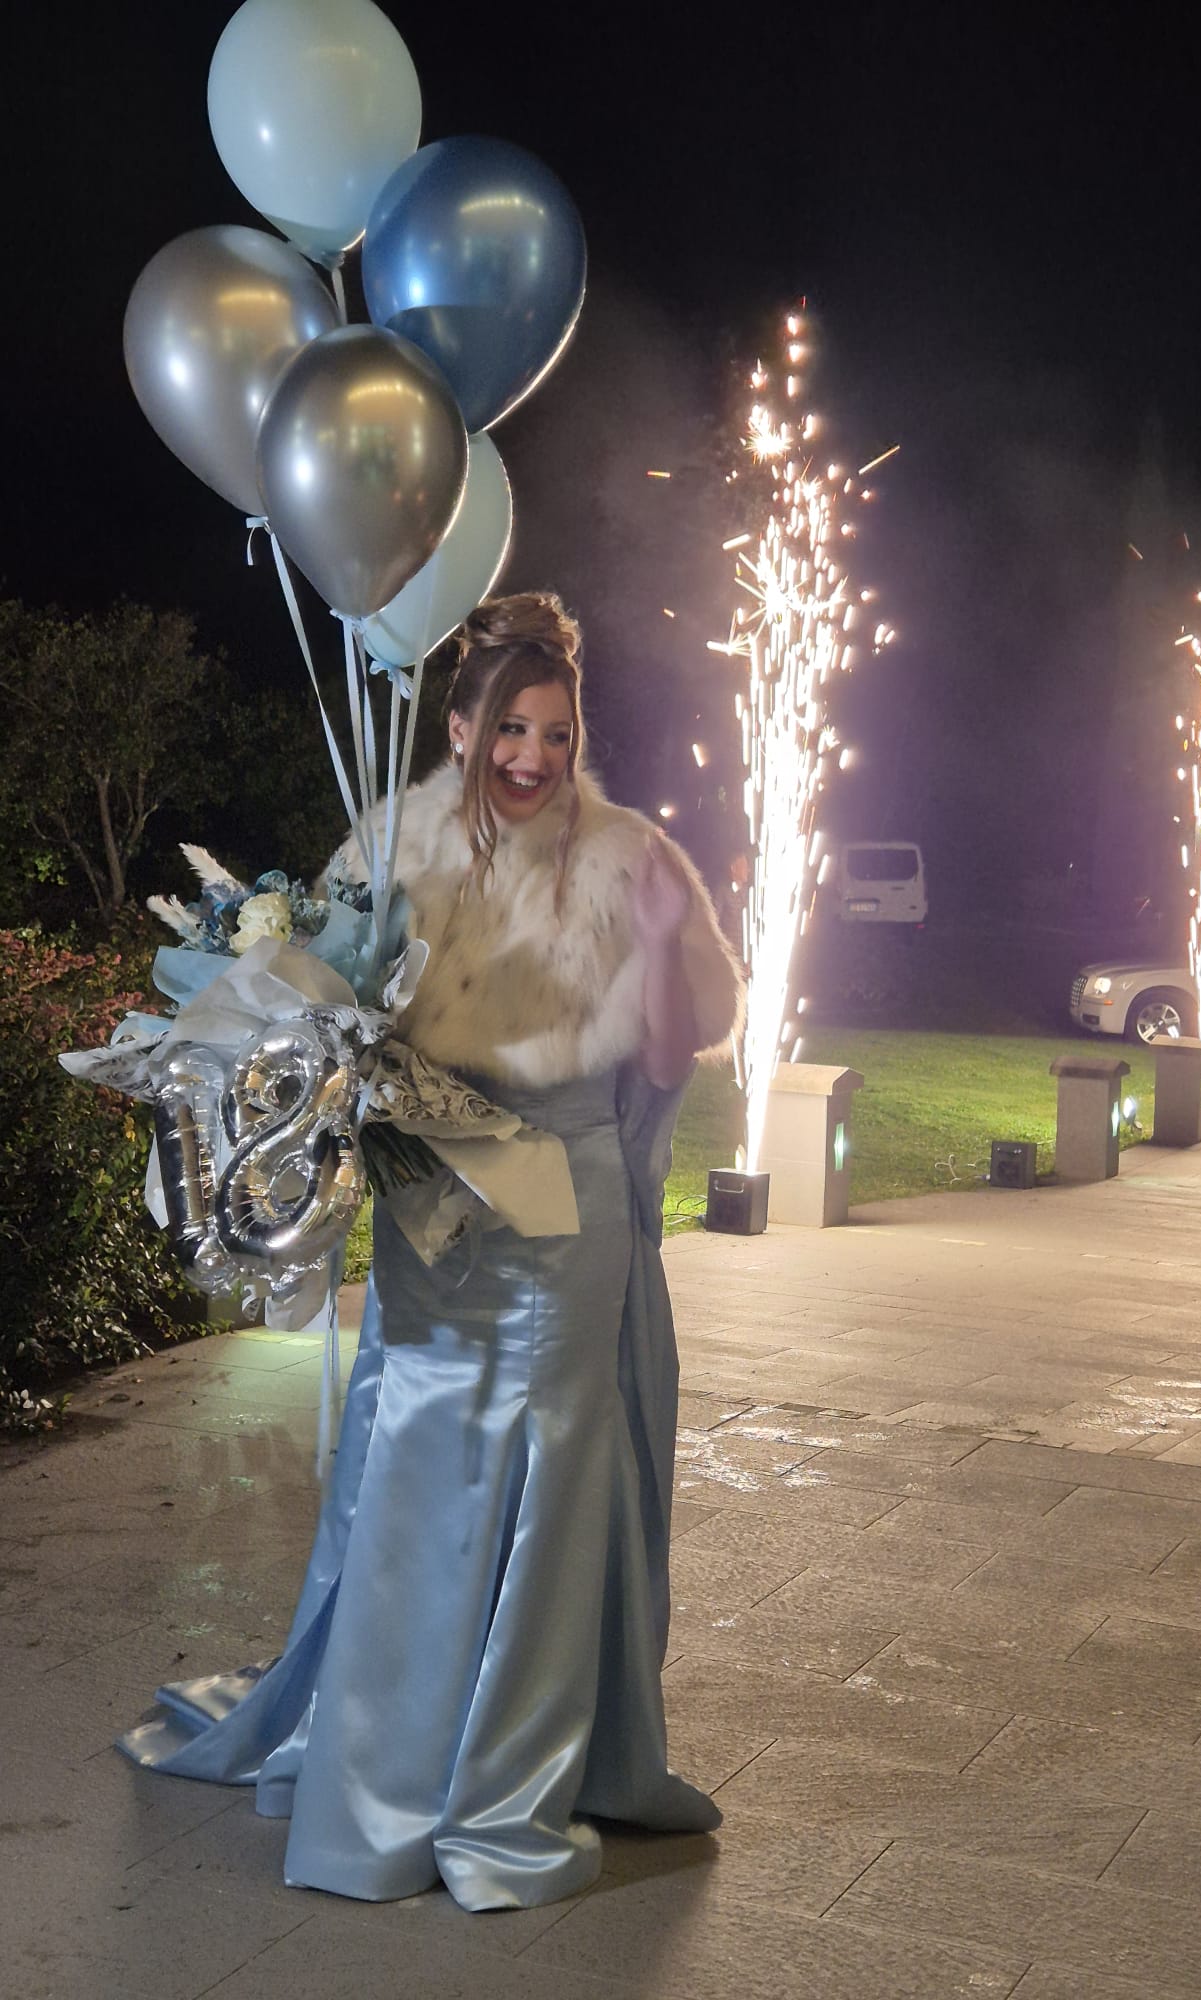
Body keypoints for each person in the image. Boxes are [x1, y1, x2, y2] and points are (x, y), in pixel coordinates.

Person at [118, 592, 744, 1912]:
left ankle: (511, 1784)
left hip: (566, 1205)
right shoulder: (387, 851)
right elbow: (326, 1024)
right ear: (460, 728)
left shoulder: (630, 856)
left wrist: (660, 950)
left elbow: (672, 1047)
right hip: (437, 1210)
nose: (532, 756)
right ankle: (391, 1759)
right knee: (414, 1463)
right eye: (509, 729)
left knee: (554, 1478)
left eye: (557, 734)